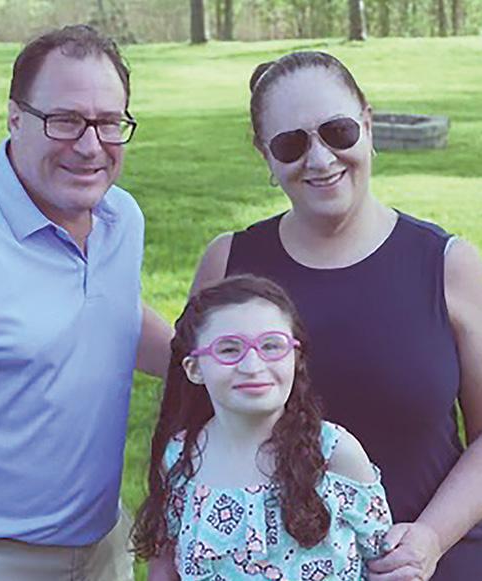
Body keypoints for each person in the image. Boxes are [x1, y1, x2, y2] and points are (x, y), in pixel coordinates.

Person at [190, 51, 482, 580]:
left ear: (368, 124)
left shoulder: (449, 266)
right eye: (291, 144)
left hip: (435, 565)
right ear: (265, 155)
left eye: (338, 131)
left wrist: (431, 539)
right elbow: (187, 430)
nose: (321, 159)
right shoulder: (228, 263)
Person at [0, 25, 171, 581]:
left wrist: (214, 362)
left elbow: (108, 313)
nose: (91, 146)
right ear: (14, 118)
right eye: (65, 120)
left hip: (104, 547)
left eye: (109, 122)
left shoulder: (121, 218)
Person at [133, 274, 393, 580]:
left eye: (271, 346)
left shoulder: (333, 454)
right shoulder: (180, 457)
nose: (253, 366)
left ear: (295, 357)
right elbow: (166, 562)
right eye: (229, 350)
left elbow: (386, 564)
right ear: (194, 368)